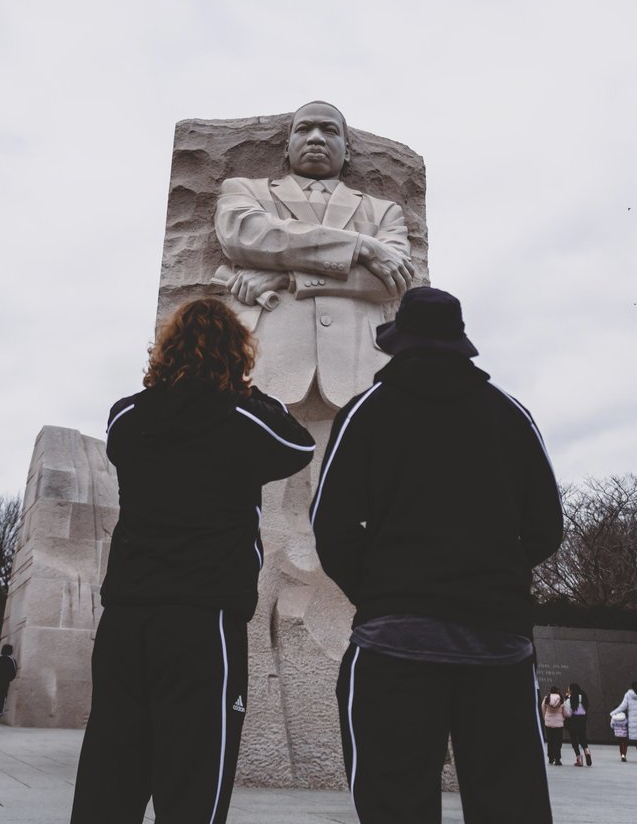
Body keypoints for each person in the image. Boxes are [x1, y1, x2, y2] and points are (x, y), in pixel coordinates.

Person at [311, 286, 564, 824]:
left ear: (399, 342)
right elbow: (547, 529)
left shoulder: (366, 413)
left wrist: (382, 592)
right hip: (498, 644)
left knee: (393, 803)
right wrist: (493, 583)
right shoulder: (510, 415)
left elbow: (329, 526)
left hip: (395, 642)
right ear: (459, 342)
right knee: (510, 806)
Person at [70, 297, 315, 824]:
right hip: (203, 620)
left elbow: (122, 441)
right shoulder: (246, 418)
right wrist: (246, 388)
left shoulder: (128, 416)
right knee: (195, 778)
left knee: (110, 770)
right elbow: (300, 445)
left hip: (128, 617)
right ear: (236, 355)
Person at [214, 100, 415, 411]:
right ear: (287, 146)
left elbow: (391, 281)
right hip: (260, 361)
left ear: (347, 151)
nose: (317, 138)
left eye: (330, 130)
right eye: (304, 129)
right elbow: (249, 236)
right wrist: (362, 246)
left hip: (359, 366)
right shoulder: (245, 190)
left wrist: (287, 277)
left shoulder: (384, 210)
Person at [565, 682, 592, 766]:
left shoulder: (570, 698)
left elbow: (568, 713)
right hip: (582, 720)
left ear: (571, 689)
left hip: (573, 721)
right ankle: (587, 751)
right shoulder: (583, 695)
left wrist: (566, 699)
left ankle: (579, 759)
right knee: (582, 737)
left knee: (574, 740)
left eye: (569, 689)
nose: (568, 690)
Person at [540, 686, 567, 767]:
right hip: (559, 723)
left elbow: (543, 709)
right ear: (558, 691)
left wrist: (546, 718)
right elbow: (565, 712)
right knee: (558, 741)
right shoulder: (561, 699)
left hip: (548, 723)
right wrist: (563, 718)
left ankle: (551, 758)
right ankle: (557, 759)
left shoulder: (546, 699)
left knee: (550, 741)